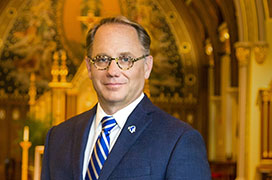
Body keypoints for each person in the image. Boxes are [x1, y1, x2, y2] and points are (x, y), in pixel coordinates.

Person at [41, 16, 211, 180]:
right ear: (89, 68)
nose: (113, 71)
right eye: (102, 59)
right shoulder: (58, 137)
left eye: (125, 59)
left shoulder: (179, 141)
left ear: (147, 67)